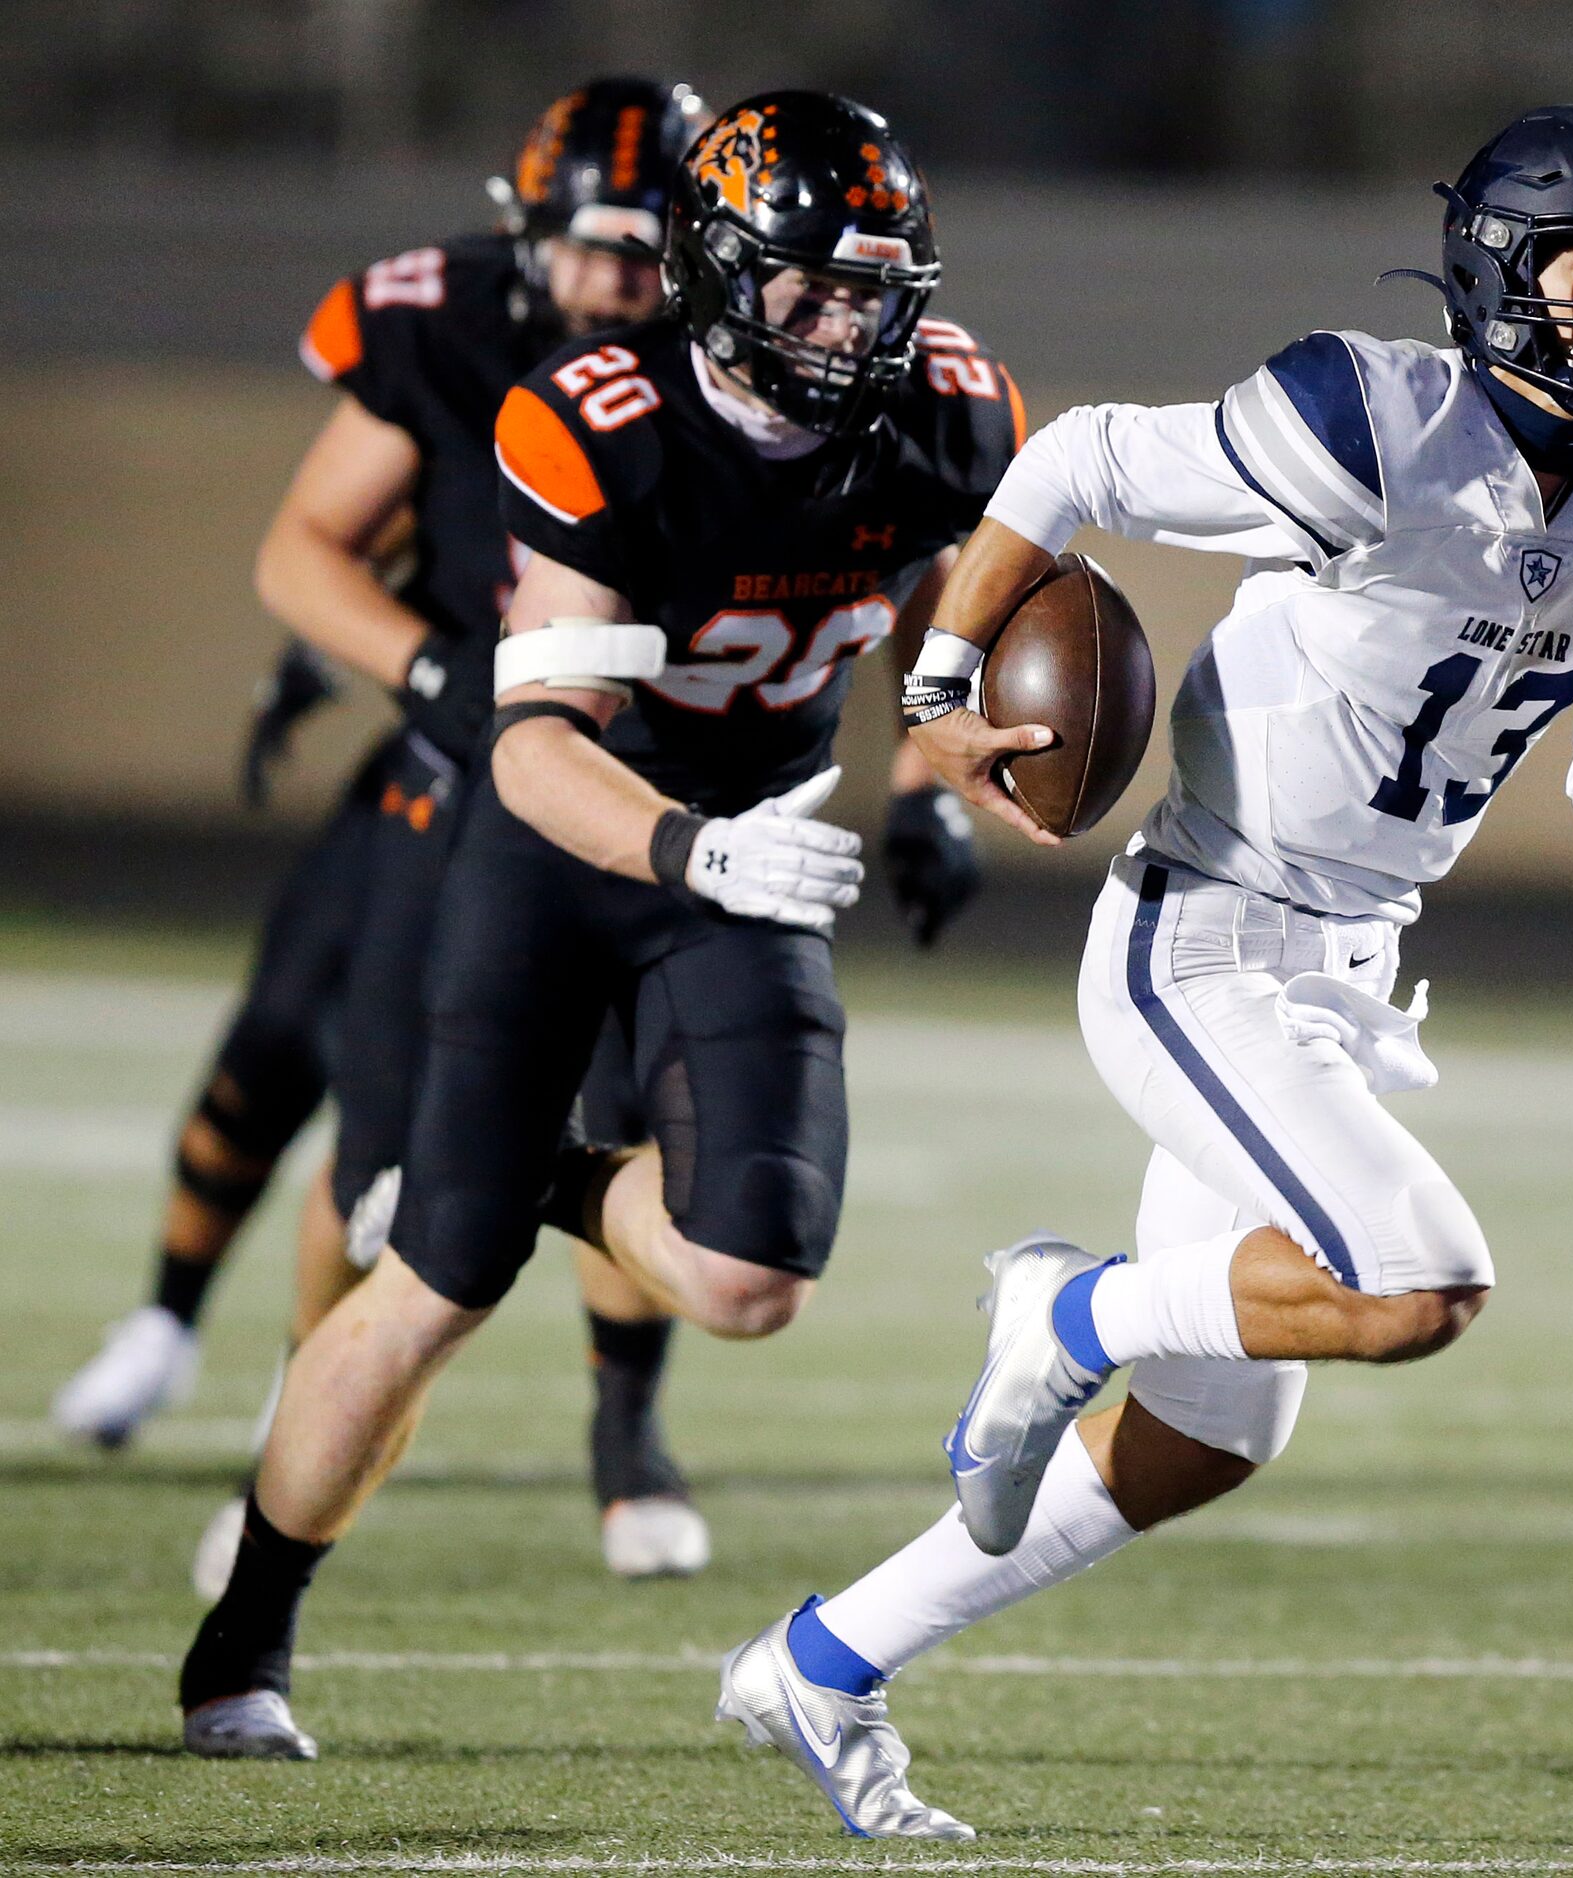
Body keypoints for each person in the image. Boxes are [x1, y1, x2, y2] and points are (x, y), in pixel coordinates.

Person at [709, 103, 1573, 1841]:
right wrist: (937, 688)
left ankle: (821, 1661)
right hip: (1200, 930)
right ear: (1499, 266)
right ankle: (1063, 1307)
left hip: (1349, 958)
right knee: (1422, 1284)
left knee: (1206, 1438)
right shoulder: (1369, 417)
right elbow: (1071, 468)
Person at [176, 89, 1018, 1762]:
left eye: (872, 286)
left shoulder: (949, 410)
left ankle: (541, 1176)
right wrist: (691, 849)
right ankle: (241, 1639)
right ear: (714, 274)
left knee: (752, 1273)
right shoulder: (597, 416)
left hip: (754, 843)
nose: (846, 321)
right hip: (574, 847)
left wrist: (933, 774)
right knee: (434, 1281)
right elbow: (535, 743)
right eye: (805, 285)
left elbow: (942, 625)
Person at [204, 76, 712, 1592]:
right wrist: (428, 666)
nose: (621, 280)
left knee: (646, 1130)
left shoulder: (728, 365)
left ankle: (629, 1442)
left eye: (652, 248)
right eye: (592, 245)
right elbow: (301, 549)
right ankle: (293, 1430)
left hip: (641, 794)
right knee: (372, 1161)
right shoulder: (442, 323)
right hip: (464, 778)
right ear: (525, 229)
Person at [50, 642, 374, 1451]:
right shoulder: (487, 505)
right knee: (268, 1048)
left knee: (391, 1108)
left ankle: (319, 1373)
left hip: (565, 788)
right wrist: (318, 648)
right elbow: (336, 540)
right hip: (431, 767)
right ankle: (165, 1321)